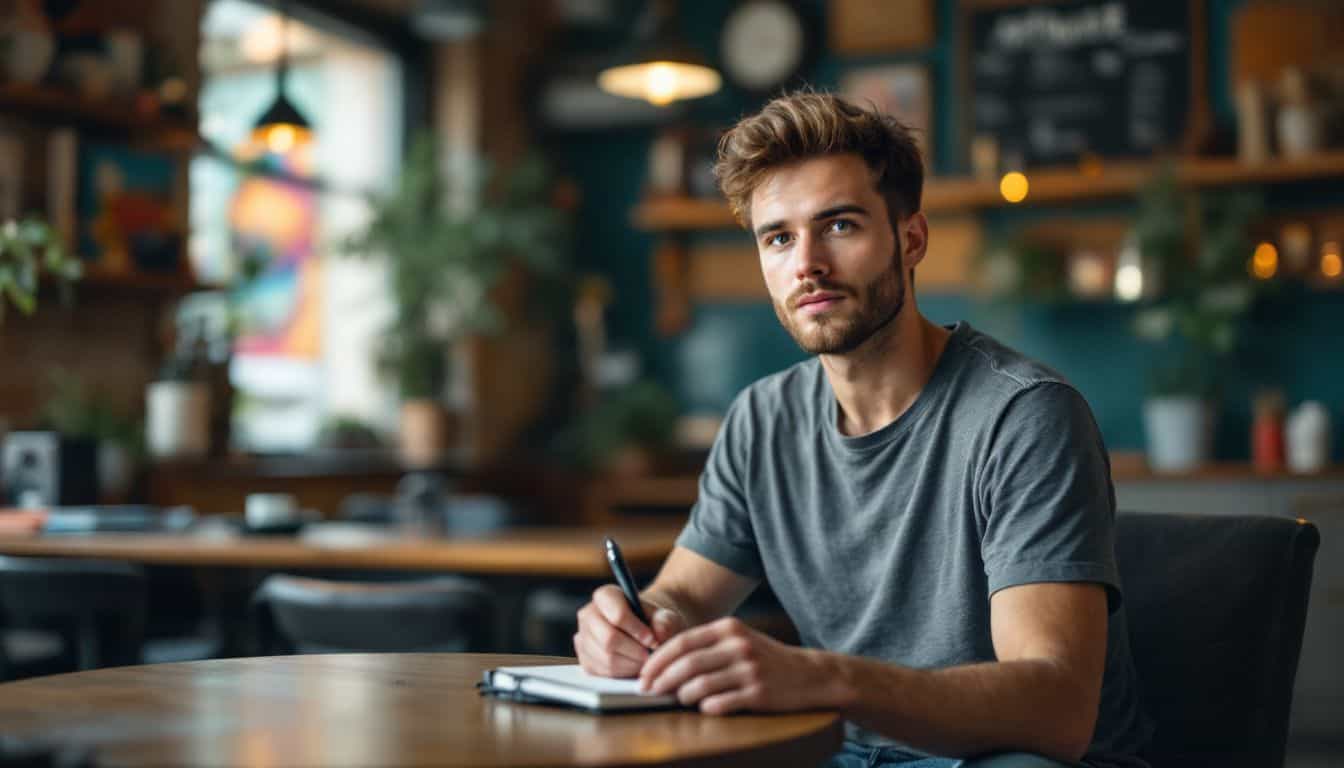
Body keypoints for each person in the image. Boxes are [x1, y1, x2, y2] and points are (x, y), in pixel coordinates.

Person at [574, 91, 1152, 768]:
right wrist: (636, 623)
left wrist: (825, 677)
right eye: (779, 237)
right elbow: (681, 597)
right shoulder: (762, 420)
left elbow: (1057, 710)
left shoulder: (1024, 416)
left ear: (911, 240)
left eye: (840, 226)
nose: (806, 263)